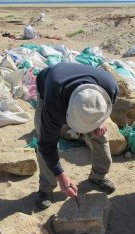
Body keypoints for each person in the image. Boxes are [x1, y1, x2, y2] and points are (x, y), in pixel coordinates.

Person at [34, 62, 119, 210]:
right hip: (49, 86)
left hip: (80, 85)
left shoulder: (109, 86)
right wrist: (62, 177)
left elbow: (104, 110)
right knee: (44, 138)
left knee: (100, 135)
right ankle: (46, 189)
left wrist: (98, 122)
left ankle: (97, 176)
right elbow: (47, 146)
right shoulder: (54, 105)